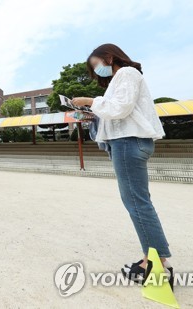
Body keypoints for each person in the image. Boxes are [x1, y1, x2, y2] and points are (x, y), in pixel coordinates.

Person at [72, 43, 172, 287]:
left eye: (96, 65)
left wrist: (89, 100)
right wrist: (92, 114)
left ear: (108, 57)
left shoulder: (126, 73)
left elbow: (120, 108)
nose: (96, 72)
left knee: (137, 203)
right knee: (138, 202)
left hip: (129, 142)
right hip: (128, 141)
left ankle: (157, 263)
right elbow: (117, 111)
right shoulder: (120, 79)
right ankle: (154, 258)